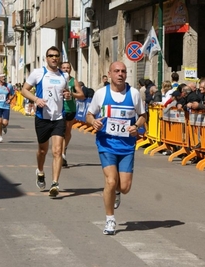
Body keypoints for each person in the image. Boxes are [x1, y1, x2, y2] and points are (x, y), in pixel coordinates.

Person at [86, 61, 146, 235]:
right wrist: (93, 121)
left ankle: (116, 193)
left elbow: (143, 116)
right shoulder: (101, 94)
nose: (120, 74)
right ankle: (110, 220)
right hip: (106, 144)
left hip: (127, 145)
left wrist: (136, 125)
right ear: (110, 73)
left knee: (124, 187)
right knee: (111, 181)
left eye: (123, 71)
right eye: (117, 71)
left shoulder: (134, 94)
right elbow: (89, 114)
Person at [21, 46, 71, 197]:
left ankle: (55, 183)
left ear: (59, 58)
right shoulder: (38, 73)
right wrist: (36, 99)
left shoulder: (64, 75)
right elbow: (24, 89)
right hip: (42, 118)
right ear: (46, 58)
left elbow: (66, 91)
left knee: (57, 151)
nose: (54, 58)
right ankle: (40, 171)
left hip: (58, 118)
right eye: (51, 55)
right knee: (42, 150)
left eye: (56, 55)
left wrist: (68, 95)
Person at [60, 62, 85, 167]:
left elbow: (82, 95)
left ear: (70, 69)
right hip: (58, 110)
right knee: (59, 132)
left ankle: (63, 150)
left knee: (67, 132)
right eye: (64, 68)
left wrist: (72, 94)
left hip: (70, 109)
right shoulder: (57, 79)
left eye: (68, 68)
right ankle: (60, 154)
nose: (66, 69)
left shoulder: (73, 81)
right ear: (60, 69)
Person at [0, 74, 15, 143]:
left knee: (5, 122)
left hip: (6, 106)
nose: (4, 78)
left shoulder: (9, 86)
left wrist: (10, 100)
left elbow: (13, 93)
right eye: (3, 77)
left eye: (5, 77)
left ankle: (4, 127)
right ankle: (0, 137)